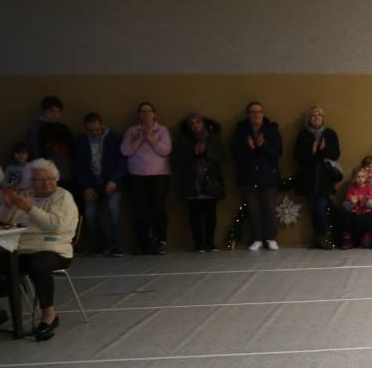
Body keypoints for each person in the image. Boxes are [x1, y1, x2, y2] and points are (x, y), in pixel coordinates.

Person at [0, 158, 78, 341]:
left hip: (54, 249)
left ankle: (49, 315)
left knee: (38, 264)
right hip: (19, 250)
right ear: (31, 181)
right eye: (40, 179)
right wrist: (7, 204)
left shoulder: (62, 196)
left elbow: (55, 225)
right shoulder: (26, 195)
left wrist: (30, 209)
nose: (47, 183)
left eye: (51, 178)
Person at [120, 102, 173, 255]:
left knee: (159, 209)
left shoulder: (162, 130)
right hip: (137, 176)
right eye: (142, 112)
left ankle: (161, 240)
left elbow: (165, 150)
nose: (146, 114)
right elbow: (125, 151)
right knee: (140, 210)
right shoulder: (132, 130)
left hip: (159, 176)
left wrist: (150, 138)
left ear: (154, 114)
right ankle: (143, 242)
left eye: (149, 111)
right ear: (138, 115)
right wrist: (140, 138)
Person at [73, 112, 127, 256]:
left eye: (97, 129)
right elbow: (79, 166)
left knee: (114, 209)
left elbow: (122, 161)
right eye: (91, 130)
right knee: (90, 214)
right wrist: (87, 187)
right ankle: (102, 245)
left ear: (101, 125)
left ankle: (116, 246)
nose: (94, 133)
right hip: (91, 182)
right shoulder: (82, 141)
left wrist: (114, 180)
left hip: (111, 181)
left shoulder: (114, 138)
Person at [232, 102, 283, 252]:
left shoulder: (272, 130)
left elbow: (278, 153)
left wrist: (262, 147)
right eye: (253, 112)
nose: (256, 115)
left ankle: (271, 238)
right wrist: (250, 148)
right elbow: (235, 153)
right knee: (254, 210)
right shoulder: (241, 131)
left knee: (269, 209)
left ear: (263, 113)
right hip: (249, 176)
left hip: (268, 175)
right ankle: (257, 238)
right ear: (248, 114)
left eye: (259, 111)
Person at [172, 113, 225, 252]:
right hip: (192, 180)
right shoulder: (184, 139)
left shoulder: (213, 137)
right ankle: (198, 243)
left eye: (197, 123)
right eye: (192, 124)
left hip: (211, 179)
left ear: (203, 123)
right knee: (194, 215)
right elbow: (178, 158)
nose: (195, 126)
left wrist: (206, 152)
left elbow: (221, 155)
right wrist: (193, 153)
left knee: (210, 215)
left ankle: (210, 242)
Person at [293, 107, 342, 249]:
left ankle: (325, 236)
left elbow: (335, 154)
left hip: (324, 179)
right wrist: (312, 151)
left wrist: (322, 150)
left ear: (323, 118)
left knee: (321, 208)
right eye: (313, 115)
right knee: (313, 209)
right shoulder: (303, 134)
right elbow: (296, 155)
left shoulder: (330, 133)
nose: (316, 117)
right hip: (307, 179)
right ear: (309, 119)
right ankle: (318, 238)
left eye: (319, 115)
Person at [25, 95, 73, 191]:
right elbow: (36, 153)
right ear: (44, 111)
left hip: (66, 173)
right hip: (47, 175)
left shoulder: (64, 128)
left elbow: (71, 150)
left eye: (58, 111)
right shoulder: (37, 128)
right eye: (52, 111)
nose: (55, 114)